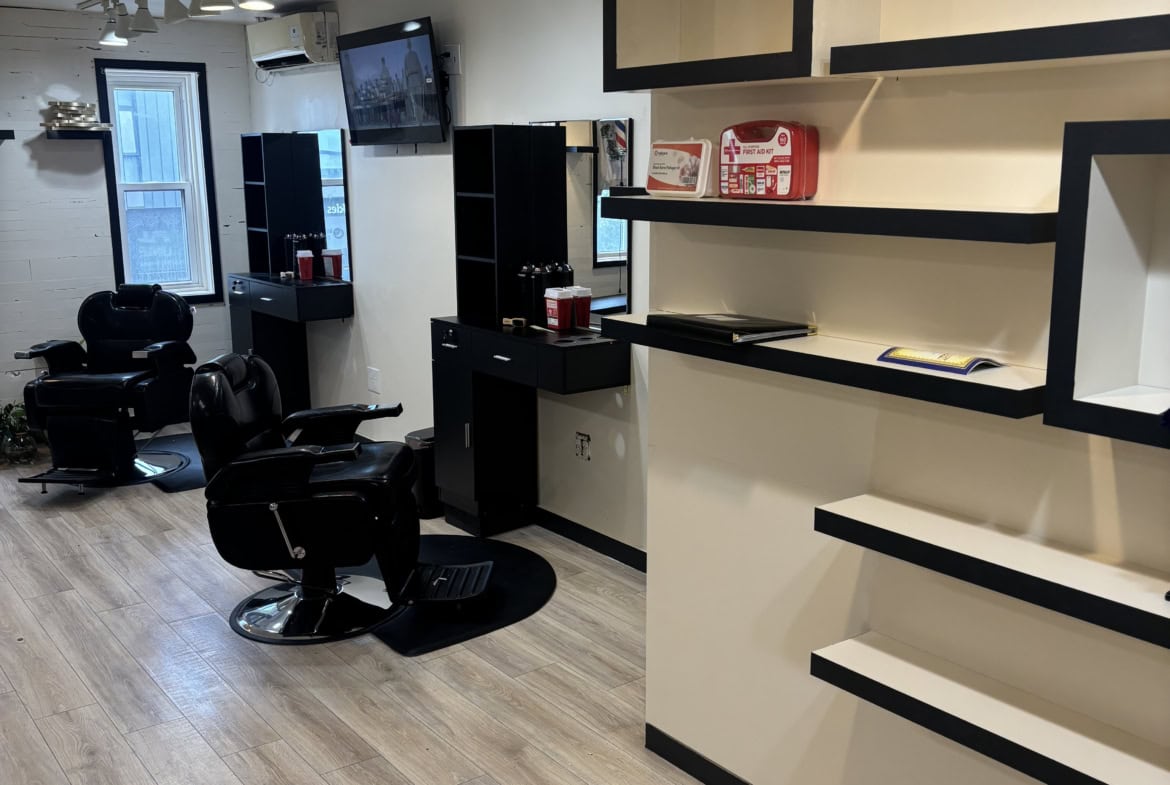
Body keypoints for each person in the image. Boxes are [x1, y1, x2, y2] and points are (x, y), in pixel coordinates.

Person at [403, 38, 424, 124]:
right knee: (415, 102)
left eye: (409, 43)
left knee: (418, 101)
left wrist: (422, 79)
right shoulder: (406, 57)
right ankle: (418, 120)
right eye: (408, 43)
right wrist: (407, 85)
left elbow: (419, 67)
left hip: (416, 80)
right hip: (412, 81)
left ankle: (420, 120)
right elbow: (405, 72)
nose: (409, 45)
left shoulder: (414, 54)